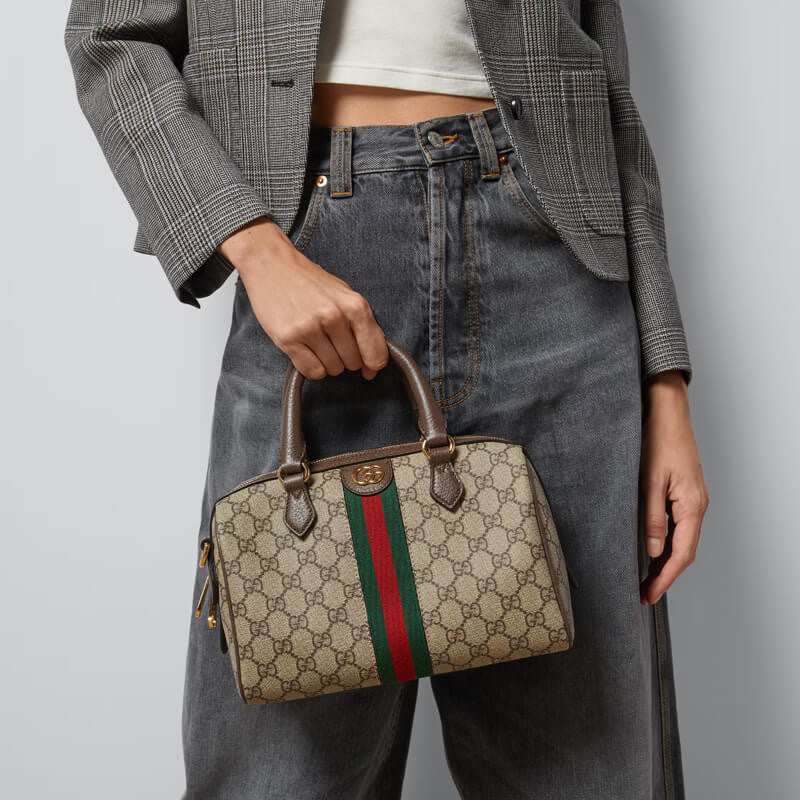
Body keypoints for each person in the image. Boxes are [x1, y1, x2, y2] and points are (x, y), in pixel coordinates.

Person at [64, 1, 709, 797]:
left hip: (557, 273)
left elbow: (605, 76)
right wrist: (255, 247)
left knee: (588, 773)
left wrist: (664, 379)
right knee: (273, 771)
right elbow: (111, 37)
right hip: (312, 272)